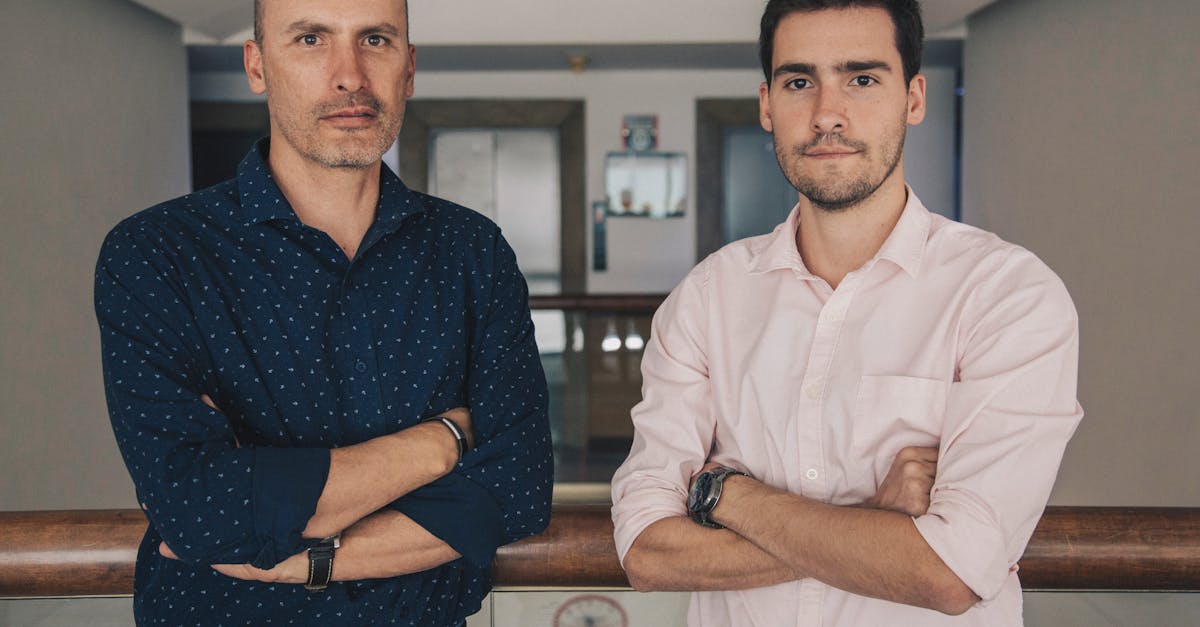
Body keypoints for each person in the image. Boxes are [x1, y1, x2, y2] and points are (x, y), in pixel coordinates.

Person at [610, 0, 1082, 624]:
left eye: (862, 79)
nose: (827, 114)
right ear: (766, 104)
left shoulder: (1006, 295)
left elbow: (951, 572)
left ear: (913, 98)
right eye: (800, 82)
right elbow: (648, 552)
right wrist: (873, 524)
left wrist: (725, 493)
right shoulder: (708, 296)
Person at [93, 0, 553, 624]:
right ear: (257, 66)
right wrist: (443, 441)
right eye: (311, 39)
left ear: (409, 68)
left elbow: (520, 488)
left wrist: (302, 556)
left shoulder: (473, 250)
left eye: (376, 40)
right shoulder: (157, 253)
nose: (350, 76)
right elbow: (201, 510)